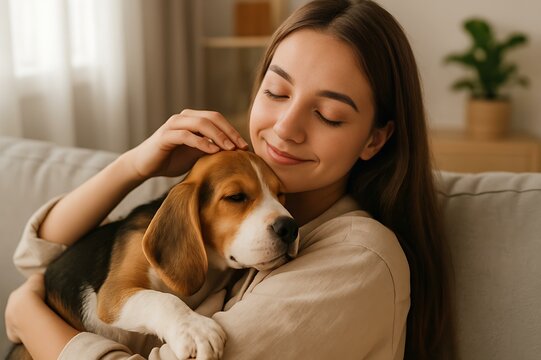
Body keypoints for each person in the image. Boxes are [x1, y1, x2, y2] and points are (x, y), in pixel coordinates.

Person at [5, 0, 456, 359]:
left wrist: (31, 320)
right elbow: (39, 256)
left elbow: (34, 288)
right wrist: (135, 165)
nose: (285, 127)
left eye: (328, 114)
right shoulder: (225, 211)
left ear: (374, 140)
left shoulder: (356, 260)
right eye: (276, 92)